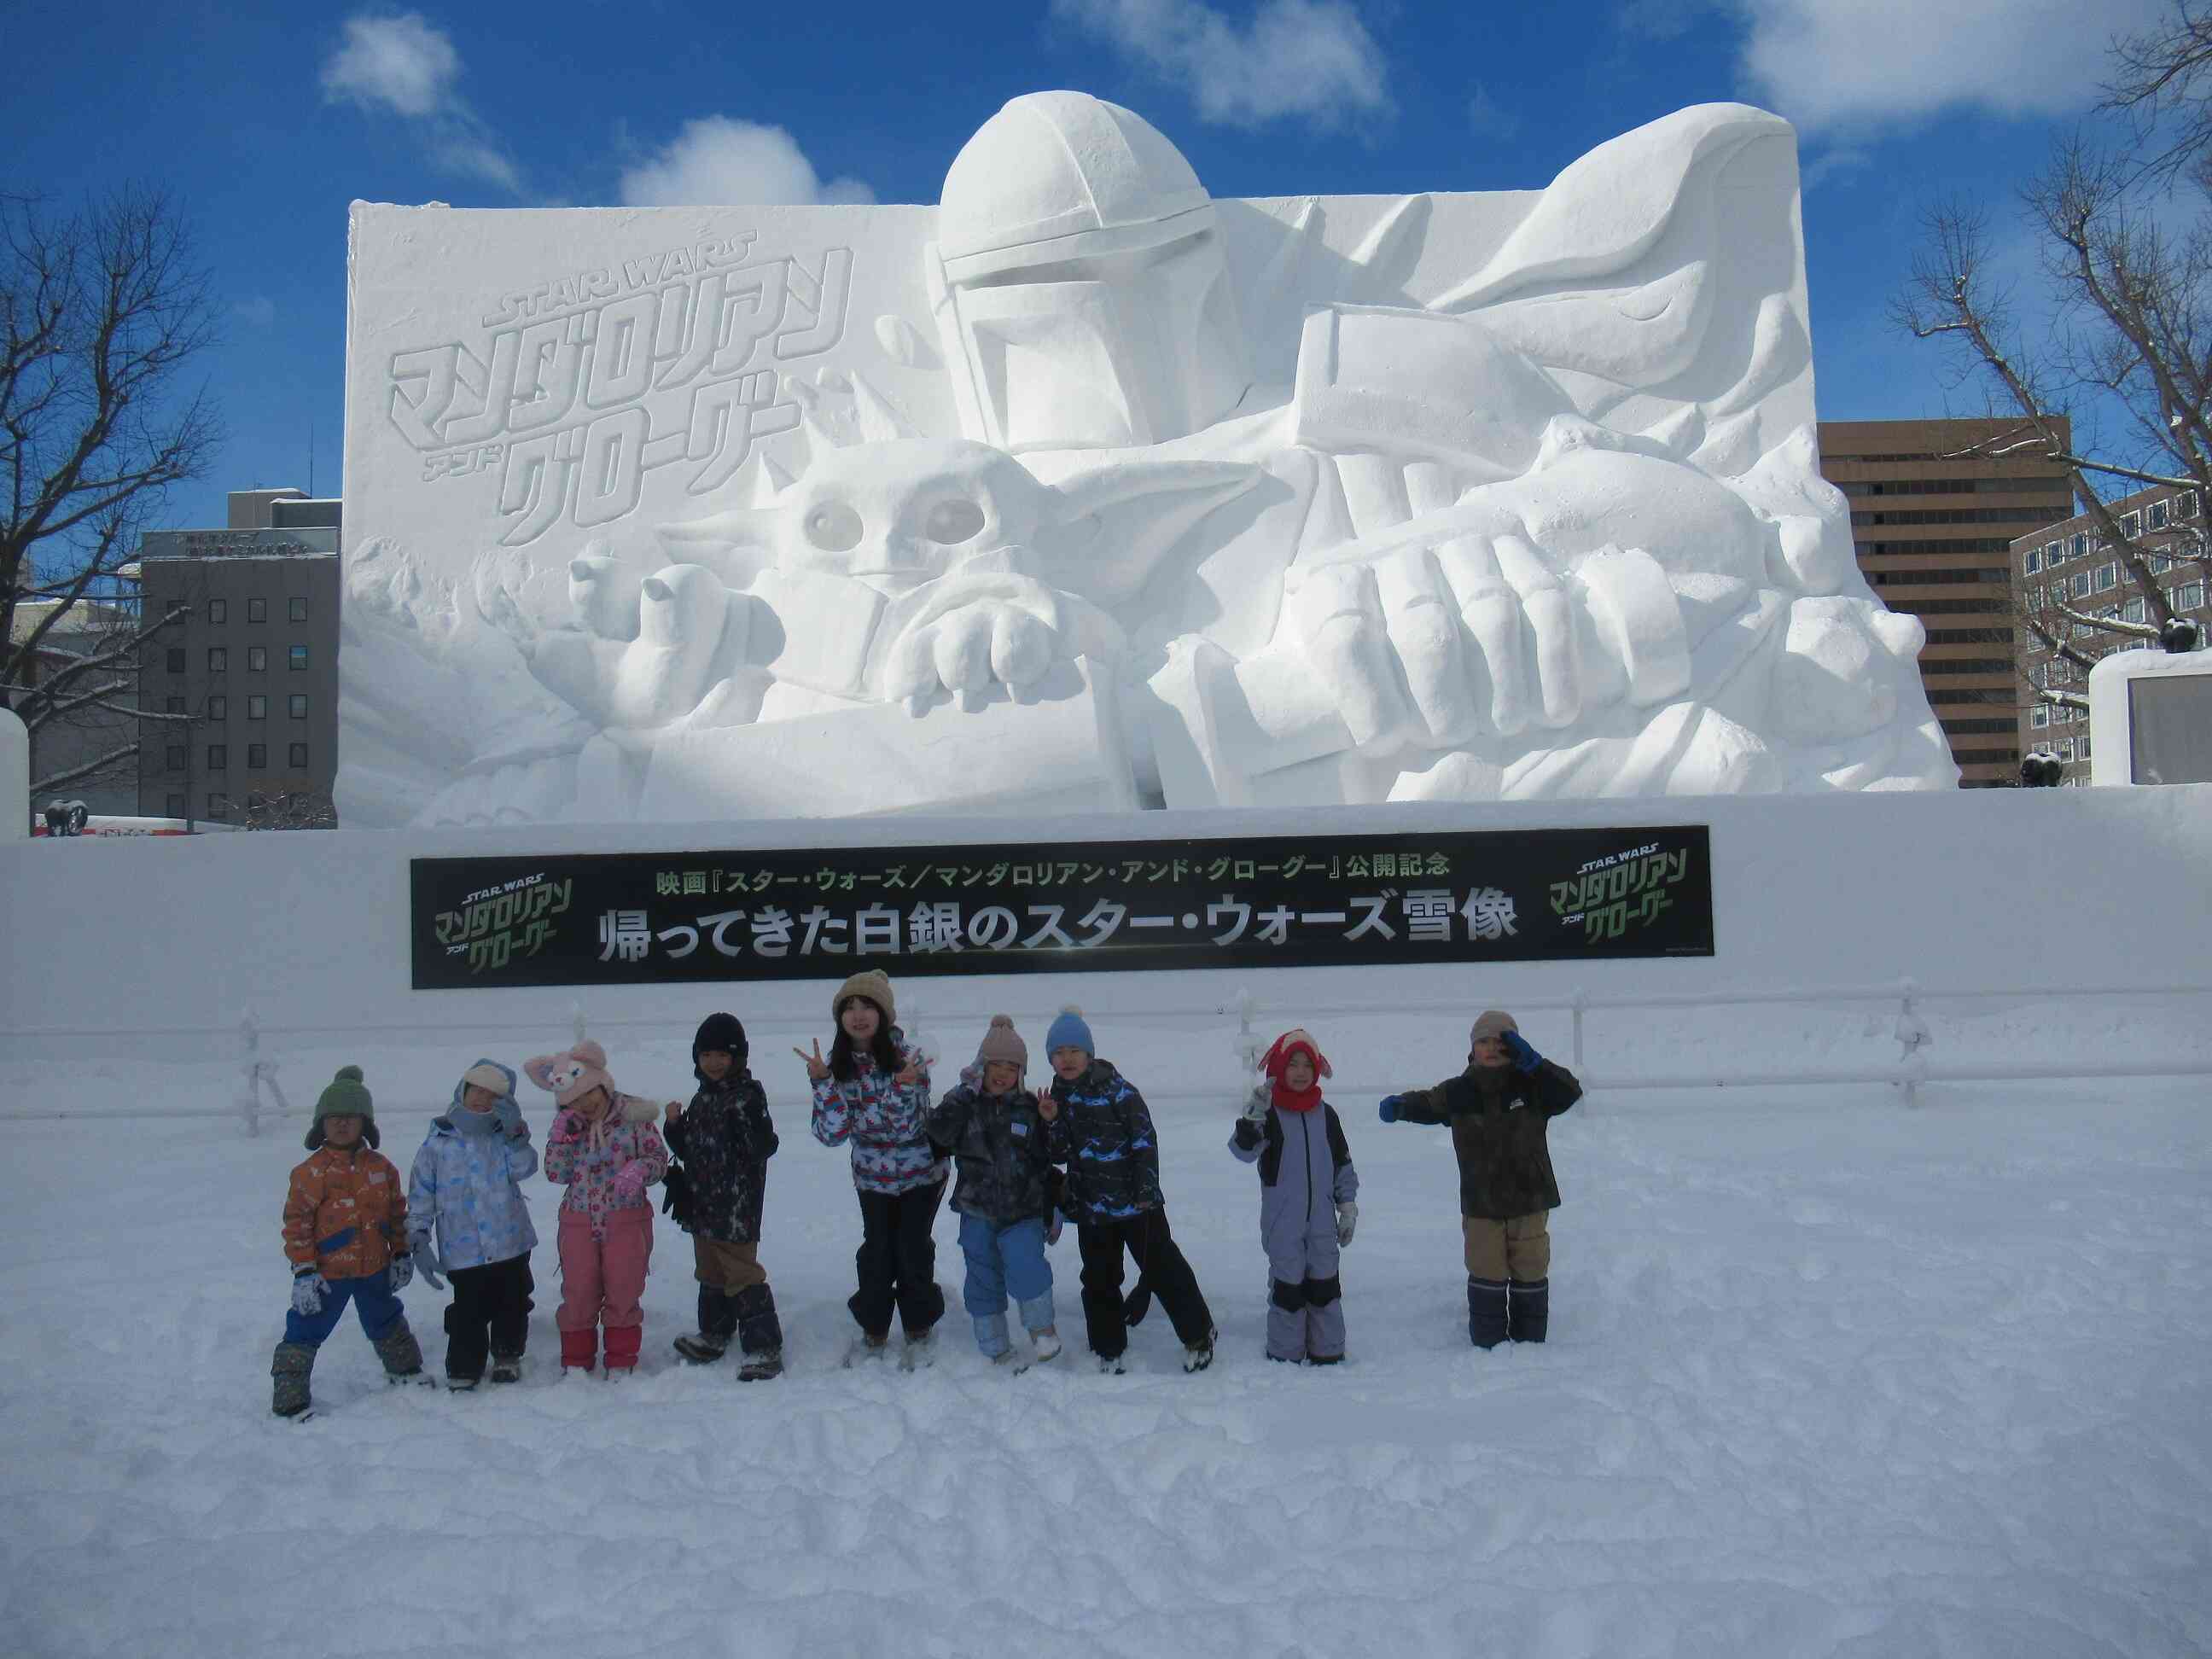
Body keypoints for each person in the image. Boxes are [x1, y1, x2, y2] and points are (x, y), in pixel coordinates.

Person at [1378, 1010, 1582, 1348]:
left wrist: (1535, 1063)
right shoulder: (1461, 1091)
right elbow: (1430, 1103)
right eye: (1483, 1042)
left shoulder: (1534, 1087)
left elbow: (1569, 1092)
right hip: (1481, 1200)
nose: (1491, 1048)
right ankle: (1488, 1339)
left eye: (1501, 1043)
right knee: (1485, 1265)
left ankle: (1530, 1338)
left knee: (1530, 1265)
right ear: (1473, 1049)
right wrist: (1402, 1106)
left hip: (1529, 1197)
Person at [1039, 1006, 1216, 1374]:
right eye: (1059, 1053)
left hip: (1139, 1205)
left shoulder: (1118, 1090)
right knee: (1100, 1278)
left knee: (1163, 1269)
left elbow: (1144, 1141)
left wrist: (1146, 1189)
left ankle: (1199, 1334)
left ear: (1089, 1054)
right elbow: (1059, 1154)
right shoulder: (1058, 1097)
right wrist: (1051, 1122)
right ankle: (1108, 1348)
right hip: (1093, 1210)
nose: (1067, 1059)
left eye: (1074, 1050)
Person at [805, 969, 946, 1368]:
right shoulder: (835, 1064)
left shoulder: (910, 1055)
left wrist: (904, 1086)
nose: (858, 1014)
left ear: (884, 1013)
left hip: (920, 1173)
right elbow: (832, 1134)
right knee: (877, 1251)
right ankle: (874, 1325)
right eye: (849, 1008)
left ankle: (919, 1323)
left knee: (913, 1249)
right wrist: (822, 1084)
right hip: (871, 1178)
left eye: (866, 1005)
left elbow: (909, 1127)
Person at [270, 1066, 425, 1416]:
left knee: (385, 1318)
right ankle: (289, 1393)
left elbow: (396, 1214)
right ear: (321, 1124)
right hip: (327, 1273)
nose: (342, 1125)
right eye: (334, 1118)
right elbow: (297, 1224)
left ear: (365, 1124)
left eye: (351, 1118)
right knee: (306, 1327)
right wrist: (304, 1270)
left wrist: (400, 1252)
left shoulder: (382, 1168)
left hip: (374, 1267)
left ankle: (405, 1368)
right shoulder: (311, 1173)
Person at [925, 1016, 1062, 1371]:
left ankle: (1041, 1329)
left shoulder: (1029, 1107)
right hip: (977, 1209)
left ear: (1021, 1071)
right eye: (994, 1065)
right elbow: (938, 1133)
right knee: (982, 1270)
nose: (1002, 1073)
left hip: (1023, 1209)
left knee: (1026, 1263)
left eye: (1011, 1067)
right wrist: (963, 1091)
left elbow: (1048, 1156)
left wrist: (1049, 1123)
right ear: (980, 1068)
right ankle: (993, 1340)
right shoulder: (964, 1105)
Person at [527, 1039, 670, 1377]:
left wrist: (640, 1170)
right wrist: (559, 1140)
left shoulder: (635, 1118)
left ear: (603, 1085)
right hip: (578, 1221)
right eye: (572, 1100)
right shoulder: (569, 1128)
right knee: (578, 1294)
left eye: (587, 1093)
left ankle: (621, 1362)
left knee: (623, 1291)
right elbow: (555, 1173)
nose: (582, 1104)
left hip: (626, 1221)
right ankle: (576, 1363)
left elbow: (658, 1159)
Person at [405, 1060, 538, 1390]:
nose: (482, 1098)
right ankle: (465, 1365)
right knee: (468, 1310)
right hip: (462, 1249)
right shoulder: (437, 1143)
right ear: (461, 1092)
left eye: (492, 1095)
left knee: (514, 1301)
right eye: (476, 1090)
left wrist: (517, 1135)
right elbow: (421, 1191)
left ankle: (507, 1355)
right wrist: (418, 1233)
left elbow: (525, 1169)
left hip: (511, 1242)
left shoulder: (502, 1138)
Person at [666, 1012, 784, 1381]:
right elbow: (689, 1149)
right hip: (702, 1205)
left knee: (742, 1274)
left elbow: (763, 1146)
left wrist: (751, 1119)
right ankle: (714, 1334)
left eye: (722, 1055)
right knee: (710, 1271)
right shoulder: (703, 1098)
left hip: (736, 1207)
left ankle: (764, 1347)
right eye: (706, 1056)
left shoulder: (746, 1097)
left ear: (738, 1058)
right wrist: (674, 1126)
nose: (714, 1063)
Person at [1230, 1029, 1359, 1365]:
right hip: (1282, 1224)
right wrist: (1251, 1120)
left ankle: (1327, 1350)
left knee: (1325, 1286)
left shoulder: (1326, 1115)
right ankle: (1284, 1354)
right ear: (1279, 1067)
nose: (1300, 1072)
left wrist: (1347, 1206)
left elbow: (1342, 1163)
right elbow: (1243, 1152)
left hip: (1322, 1224)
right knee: (1288, 1289)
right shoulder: (1269, 1114)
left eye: (1306, 1065)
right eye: (1293, 1064)